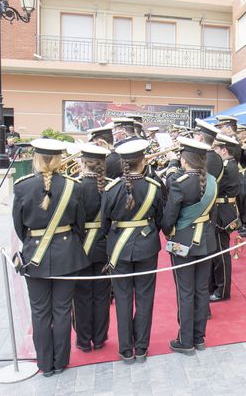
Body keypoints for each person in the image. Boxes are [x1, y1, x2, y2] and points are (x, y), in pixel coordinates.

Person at [12, 138, 88, 376]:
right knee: (63, 310)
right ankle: (60, 360)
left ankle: (45, 364)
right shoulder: (73, 186)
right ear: (58, 160)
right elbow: (80, 224)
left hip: (35, 254)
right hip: (67, 254)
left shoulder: (22, 186)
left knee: (40, 311)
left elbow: (18, 226)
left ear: (35, 159)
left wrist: (35, 242)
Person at [101, 139, 163, 364]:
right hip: (147, 248)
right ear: (143, 161)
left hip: (119, 248)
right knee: (145, 298)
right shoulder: (154, 187)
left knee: (123, 299)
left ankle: (126, 349)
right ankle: (142, 347)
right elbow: (160, 219)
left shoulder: (110, 189)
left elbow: (104, 224)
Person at [162, 137, 217, 354]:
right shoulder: (212, 180)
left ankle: (185, 341)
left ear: (185, 160)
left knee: (185, 291)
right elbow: (213, 213)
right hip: (207, 241)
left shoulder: (179, 182)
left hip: (182, 242)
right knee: (201, 290)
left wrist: (167, 231)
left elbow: (169, 217)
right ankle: (199, 337)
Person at [73, 144, 112, 353]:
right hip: (104, 245)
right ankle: (99, 338)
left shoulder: (75, 185)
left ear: (82, 163)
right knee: (101, 295)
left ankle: (83, 339)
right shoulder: (111, 185)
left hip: (80, 246)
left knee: (81, 296)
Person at [209, 133, 240, 302]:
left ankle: (222, 290)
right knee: (217, 252)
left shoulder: (227, 167)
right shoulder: (228, 165)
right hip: (223, 209)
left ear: (224, 149)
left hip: (222, 211)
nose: (214, 152)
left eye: (216, 148)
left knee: (221, 254)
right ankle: (216, 286)